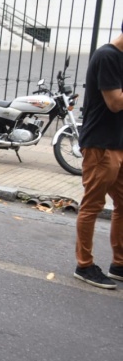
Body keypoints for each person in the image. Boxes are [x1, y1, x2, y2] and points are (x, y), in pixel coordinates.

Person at [73, 21, 123, 289]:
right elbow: (115, 103)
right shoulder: (107, 57)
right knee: (93, 205)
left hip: (118, 143)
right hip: (100, 145)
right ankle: (84, 265)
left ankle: (119, 264)